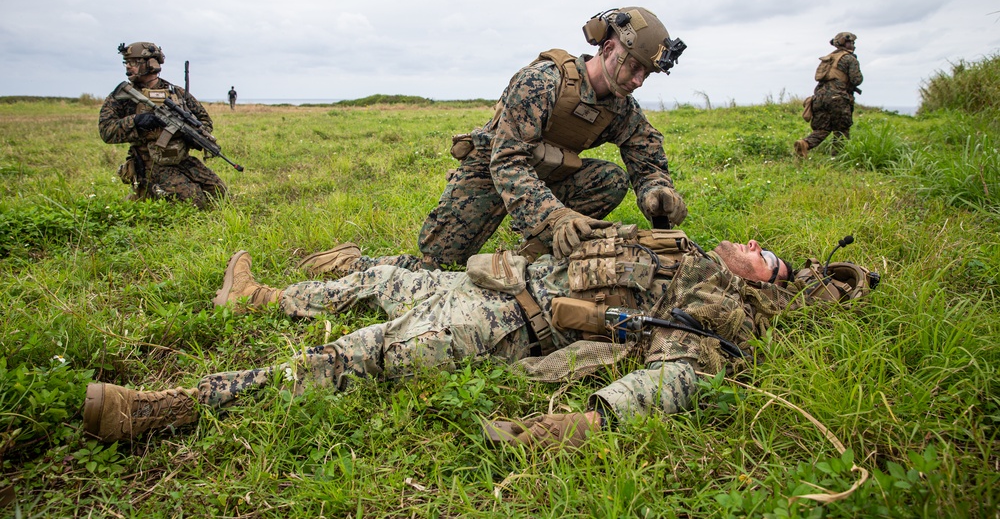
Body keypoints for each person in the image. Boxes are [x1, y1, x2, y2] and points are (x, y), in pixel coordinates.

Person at [82, 224, 873, 447]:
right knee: (384, 276)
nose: (752, 245)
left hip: (505, 322)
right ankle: (256, 297)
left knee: (355, 357)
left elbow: (684, 374)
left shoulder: (721, 305)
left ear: (765, 282)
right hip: (496, 279)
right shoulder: (692, 251)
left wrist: (589, 420)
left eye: (767, 257)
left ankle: (165, 407)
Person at [299, 7, 690, 277]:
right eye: (634, 66)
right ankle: (350, 263)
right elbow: (507, 163)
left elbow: (645, 151)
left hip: (546, 176)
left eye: (647, 73)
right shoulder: (543, 81)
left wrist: (658, 190)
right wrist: (554, 218)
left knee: (610, 179)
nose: (638, 80)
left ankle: (531, 259)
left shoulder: (621, 107)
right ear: (608, 49)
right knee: (440, 267)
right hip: (491, 172)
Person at [99, 42, 227, 209]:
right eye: (127, 63)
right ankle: (142, 196)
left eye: (134, 62)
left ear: (151, 63)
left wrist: (193, 135)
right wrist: (136, 121)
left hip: (180, 158)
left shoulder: (176, 92)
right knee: (194, 201)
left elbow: (204, 120)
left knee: (219, 192)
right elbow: (106, 130)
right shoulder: (123, 95)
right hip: (149, 163)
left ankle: (152, 195)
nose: (128, 67)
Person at [795, 32, 864, 157]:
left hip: (819, 98)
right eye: (852, 43)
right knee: (842, 130)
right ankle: (837, 159)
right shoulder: (850, 58)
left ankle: (804, 144)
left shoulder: (828, 58)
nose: (853, 45)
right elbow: (857, 80)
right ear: (846, 43)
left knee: (822, 129)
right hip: (838, 98)